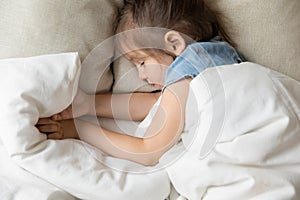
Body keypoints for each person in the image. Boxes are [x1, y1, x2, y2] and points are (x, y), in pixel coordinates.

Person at [36, 0, 244, 166]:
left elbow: (148, 152)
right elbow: (155, 103)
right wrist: (88, 104)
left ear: (174, 44)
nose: (141, 75)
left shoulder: (189, 66)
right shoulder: (221, 55)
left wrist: (78, 129)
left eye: (142, 62)